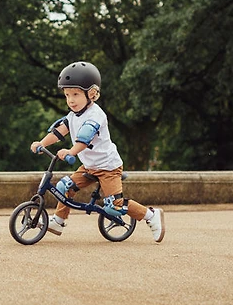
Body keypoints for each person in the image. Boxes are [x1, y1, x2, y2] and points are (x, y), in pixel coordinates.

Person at [29, 61, 165, 242]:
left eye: (76, 94)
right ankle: (59, 221)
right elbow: (59, 131)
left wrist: (70, 152)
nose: (71, 100)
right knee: (63, 188)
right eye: (67, 95)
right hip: (89, 166)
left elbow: (83, 140)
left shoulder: (96, 116)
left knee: (114, 207)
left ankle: (150, 215)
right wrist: (42, 143)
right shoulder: (72, 115)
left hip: (108, 166)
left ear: (91, 94)